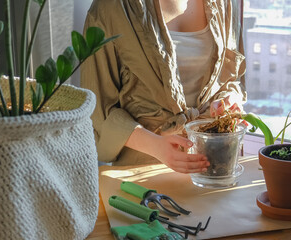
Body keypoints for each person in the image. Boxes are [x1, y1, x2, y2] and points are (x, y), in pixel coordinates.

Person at [81, 0, 246, 173]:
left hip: (214, 165)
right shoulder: (111, 7)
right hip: (141, 171)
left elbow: (232, 79)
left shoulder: (225, 3)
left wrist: (229, 102)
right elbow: (97, 108)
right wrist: (156, 146)